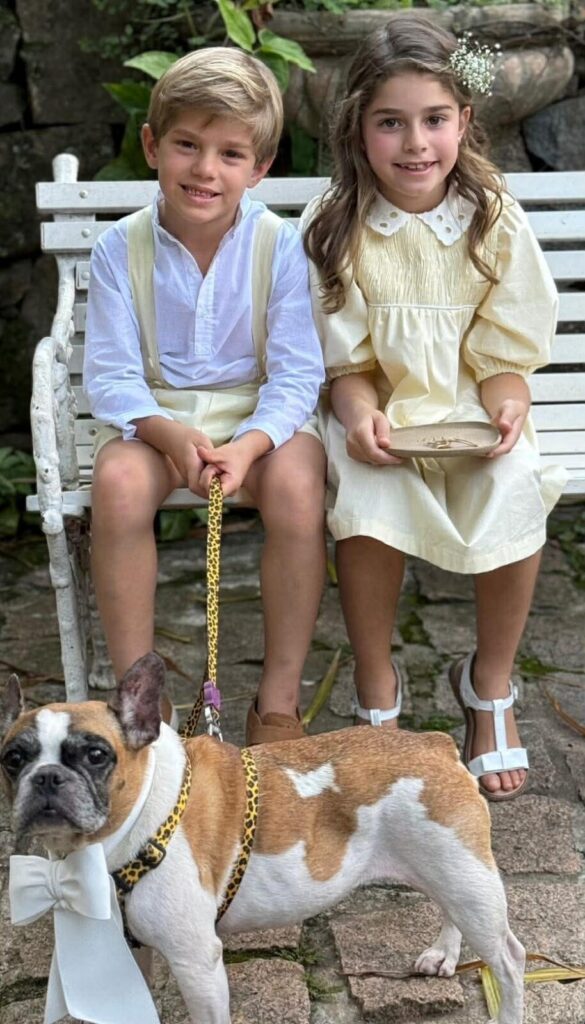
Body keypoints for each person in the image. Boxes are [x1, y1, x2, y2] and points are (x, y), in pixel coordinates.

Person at [303, 15, 566, 799]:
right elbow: (345, 365)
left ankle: (489, 686)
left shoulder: (490, 217)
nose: (415, 143)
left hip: (467, 414)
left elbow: (503, 356)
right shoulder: (337, 227)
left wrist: (507, 407)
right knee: (368, 499)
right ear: (358, 128)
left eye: (434, 119)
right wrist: (357, 414)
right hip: (380, 416)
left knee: (514, 485)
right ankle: (376, 689)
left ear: (463, 120)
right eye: (390, 122)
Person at [84, 47, 326, 745]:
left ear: (260, 167)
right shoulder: (119, 250)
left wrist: (249, 445)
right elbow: (112, 375)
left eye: (230, 154)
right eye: (187, 145)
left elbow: (295, 373)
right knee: (118, 483)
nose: (205, 170)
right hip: (158, 415)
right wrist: (166, 434)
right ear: (152, 145)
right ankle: (143, 705)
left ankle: (276, 703)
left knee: (298, 488)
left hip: (259, 413)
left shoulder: (279, 246)